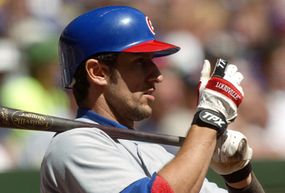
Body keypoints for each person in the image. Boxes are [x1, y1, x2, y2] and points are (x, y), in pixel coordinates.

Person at [40, 6, 265, 193]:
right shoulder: (74, 145)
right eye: (140, 62)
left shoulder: (156, 153)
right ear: (98, 72)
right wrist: (209, 120)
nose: (157, 75)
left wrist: (238, 177)